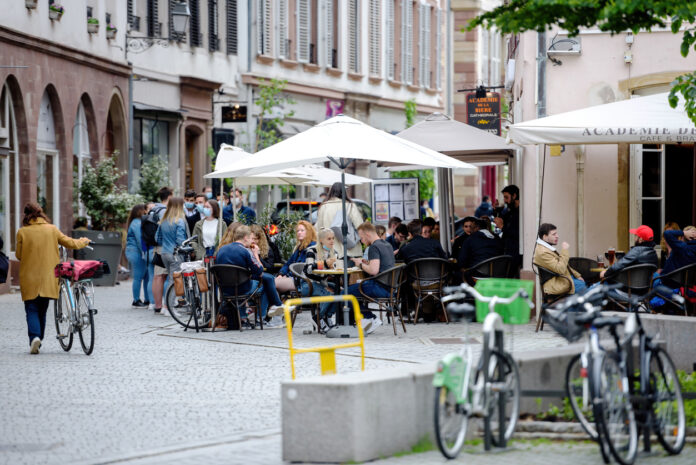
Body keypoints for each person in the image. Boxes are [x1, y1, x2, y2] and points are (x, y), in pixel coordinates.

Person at [15, 202, 91, 354]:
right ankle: (38, 338)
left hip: (29, 277)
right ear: (41, 213)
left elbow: (18, 255)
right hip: (49, 276)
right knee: (42, 310)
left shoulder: (22, 232)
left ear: (26, 215)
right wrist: (84, 241)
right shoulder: (52, 229)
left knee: (31, 309)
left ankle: (35, 338)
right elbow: (70, 243)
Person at [216, 225, 284, 327]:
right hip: (243, 288)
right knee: (264, 284)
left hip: (224, 290)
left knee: (246, 282)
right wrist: (255, 253)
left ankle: (243, 319)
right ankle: (265, 315)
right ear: (245, 238)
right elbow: (259, 270)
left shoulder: (221, 250)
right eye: (250, 238)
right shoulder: (245, 251)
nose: (251, 241)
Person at [347, 222, 396, 333]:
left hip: (378, 287)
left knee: (345, 293)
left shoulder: (374, 247)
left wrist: (360, 264)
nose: (362, 241)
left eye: (362, 238)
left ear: (368, 234)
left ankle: (369, 318)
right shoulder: (387, 245)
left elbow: (374, 271)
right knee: (354, 289)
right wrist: (366, 262)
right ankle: (366, 319)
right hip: (390, 288)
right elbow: (380, 265)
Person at [154, 197, 188, 314]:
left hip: (164, 252)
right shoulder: (179, 221)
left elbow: (157, 238)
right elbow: (180, 240)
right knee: (173, 281)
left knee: (170, 278)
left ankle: (165, 306)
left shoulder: (163, 220)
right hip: (175, 254)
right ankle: (168, 307)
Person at [303, 228, 340, 330]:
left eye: (333, 238)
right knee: (329, 293)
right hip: (308, 284)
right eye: (329, 239)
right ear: (321, 240)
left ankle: (327, 316)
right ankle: (318, 318)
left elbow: (334, 269)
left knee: (341, 292)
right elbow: (308, 270)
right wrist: (324, 263)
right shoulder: (312, 251)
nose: (332, 241)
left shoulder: (334, 252)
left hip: (322, 283)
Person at [533, 223, 585, 296]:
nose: (557, 236)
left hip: (562, 278)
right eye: (554, 234)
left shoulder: (546, 248)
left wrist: (577, 275)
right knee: (586, 288)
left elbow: (564, 265)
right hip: (557, 283)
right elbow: (560, 269)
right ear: (545, 237)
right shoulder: (542, 252)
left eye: (556, 233)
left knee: (586, 284)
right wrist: (564, 250)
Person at [315, 182, 364, 258]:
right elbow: (360, 226)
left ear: (331, 192)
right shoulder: (350, 206)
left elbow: (319, 230)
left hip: (332, 252)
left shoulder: (324, 207)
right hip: (351, 251)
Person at [147, 187, 172, 311]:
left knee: (157, 276)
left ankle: (157, 305)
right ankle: (164, 305)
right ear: (170, 196)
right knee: (164, 276)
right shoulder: (165, 211)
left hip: (155, 246)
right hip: (164, 246)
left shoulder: (153, 209)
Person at [275, 220, 317, 293]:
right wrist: (281, 274)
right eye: (297, 231)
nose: (299, 233)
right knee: (269, 281)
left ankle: (278, 303)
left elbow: (301, 268)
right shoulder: (299, 247)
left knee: (271, 283)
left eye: (302, 230)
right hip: (292, 278)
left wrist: (287, 276)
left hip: (301, 281)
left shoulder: (312, 247)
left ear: (309, 232)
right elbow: (288, 263)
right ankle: (278, 303)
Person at [125, 204, 150, 308]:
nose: (146, 212)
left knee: (146, 276)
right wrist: (145, 252)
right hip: (136, 252)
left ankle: (147, 299)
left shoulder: (136, 222)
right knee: (139, 277)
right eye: (145, 210)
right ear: (140, 211)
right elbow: (140, 240)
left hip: (136, 251)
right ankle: (136, 300)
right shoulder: (137, 223)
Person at [493, 185, 521, 277]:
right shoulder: (511, 211)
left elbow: (517, 233)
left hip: (515, 253)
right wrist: (495, 210)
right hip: (508, 251)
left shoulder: (520, 213)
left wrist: (502, 227)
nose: (505, 200)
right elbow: (503, 218)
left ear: (514, 196)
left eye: (506, 197)